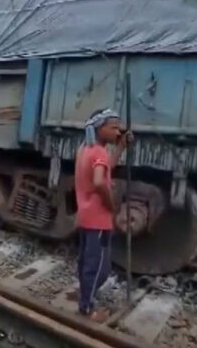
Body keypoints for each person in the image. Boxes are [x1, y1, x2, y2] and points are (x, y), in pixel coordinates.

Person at [74, 108, 130, 321]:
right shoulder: (99, 152)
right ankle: (86, 306)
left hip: (86, 215)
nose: (118, 132)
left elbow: (107, 167)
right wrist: (111, 203)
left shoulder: (85, 149)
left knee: (86, 260)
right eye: (113, 127)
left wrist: (121, 146)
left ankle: (85, 294)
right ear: (99, 128)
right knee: (99, 267)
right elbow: (99, 181)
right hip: (99, 217)